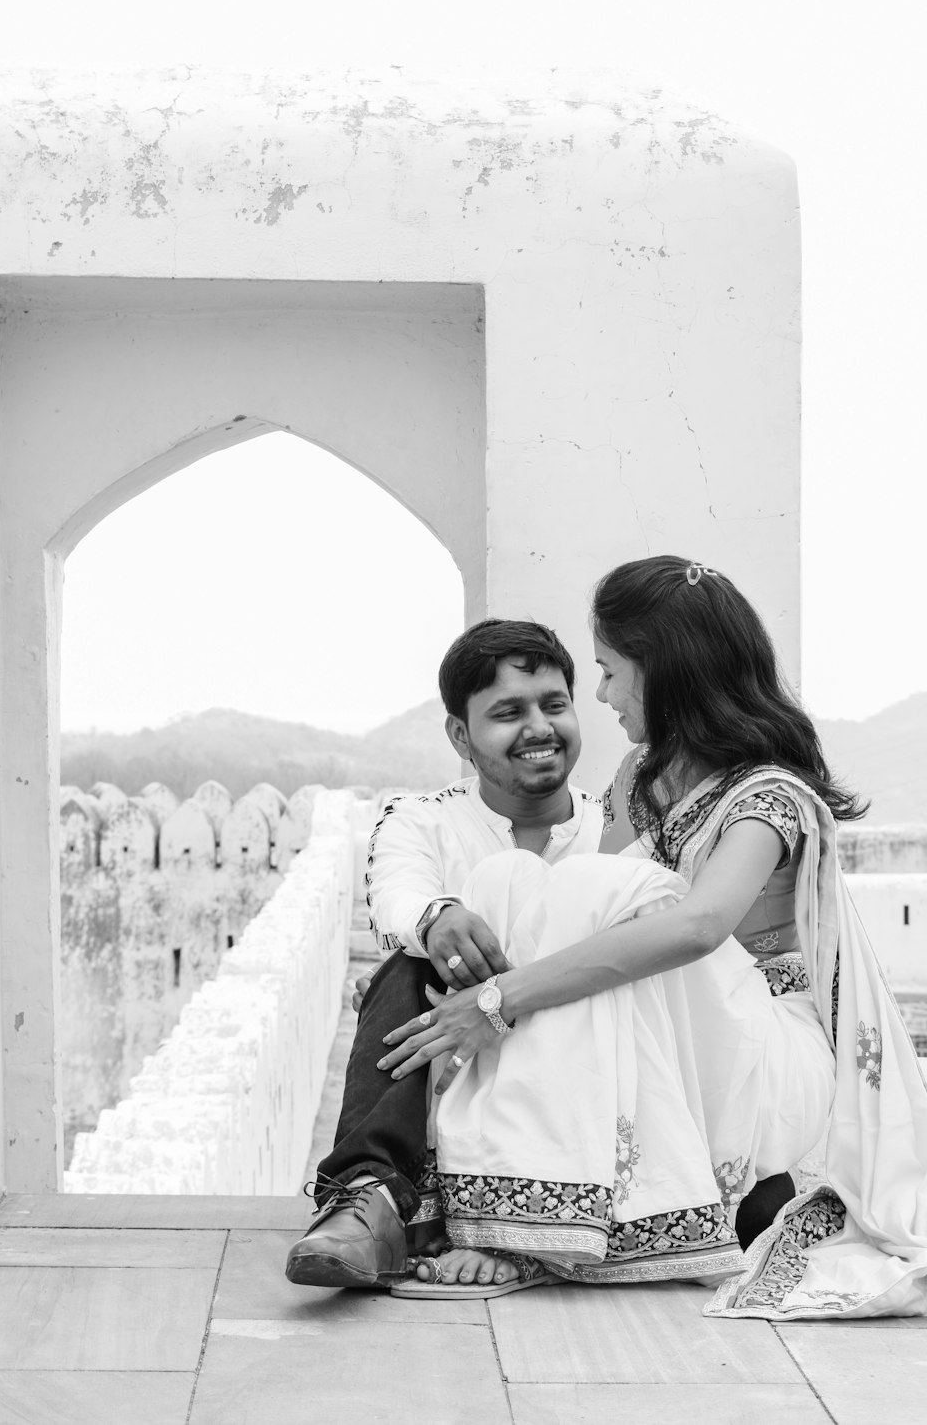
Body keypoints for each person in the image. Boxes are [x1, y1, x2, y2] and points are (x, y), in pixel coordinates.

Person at [382, 557, 927, 1319]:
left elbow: (698, 928)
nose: (599, 696)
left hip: (769, 1056)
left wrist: (500, 999)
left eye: (608, 671)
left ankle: (539, 1224)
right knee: (509, 879)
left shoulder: (769, 794)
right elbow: (577, 916)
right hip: (684, 1042)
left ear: (664, 672)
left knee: (588, 896)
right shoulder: (642, 777)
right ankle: (509, 1194)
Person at [285, 618, 602, 1288]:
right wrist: (439, 920)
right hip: (459, 1055)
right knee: (410, 966)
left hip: (589, 1055)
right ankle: (369, 1198)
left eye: (554, 704)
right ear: (461, 734)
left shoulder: (611, 824)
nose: (540, 727)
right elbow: (398, 898)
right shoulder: (420, 819)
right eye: (507, 713)